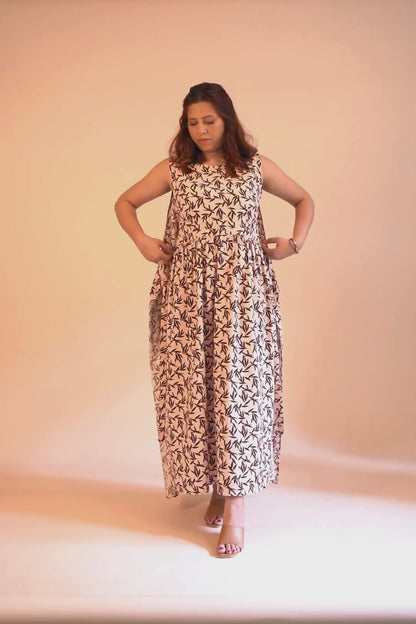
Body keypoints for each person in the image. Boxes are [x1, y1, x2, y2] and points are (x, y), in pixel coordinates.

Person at [114, 82, 314, 558]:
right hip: (186, 299)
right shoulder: (175, 170)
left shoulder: (255, 168)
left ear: (227, 120)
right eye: (192, 122)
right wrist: (143, 241)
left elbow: (304, 200)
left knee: (237, 394)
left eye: (209, 120)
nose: (201, 130)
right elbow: (124, 203)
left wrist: (294, 244)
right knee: (198, 393)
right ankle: (218, 488)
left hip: (242, 299)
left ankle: (236, 508)